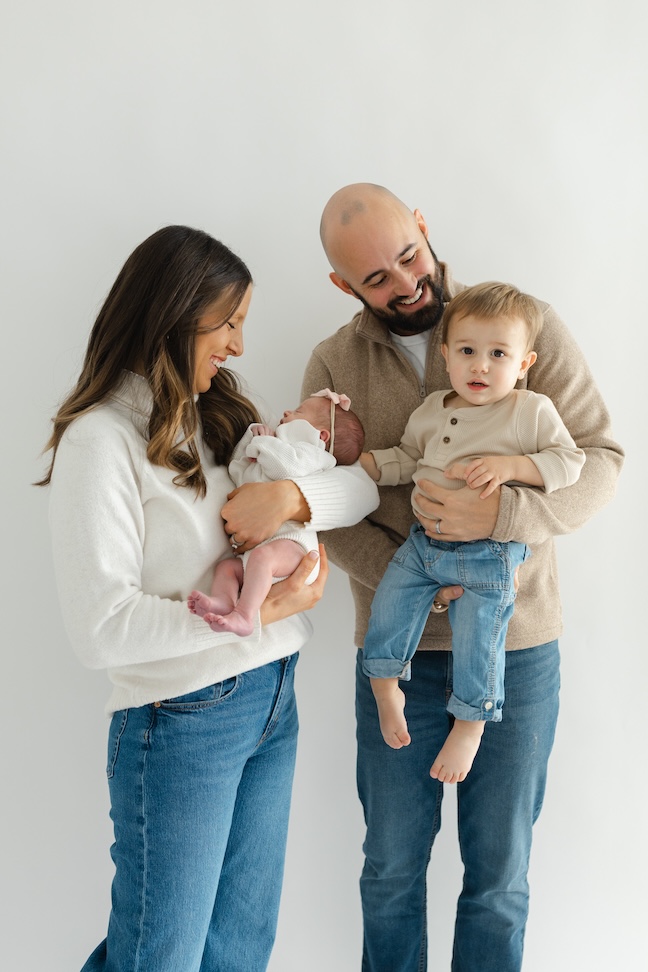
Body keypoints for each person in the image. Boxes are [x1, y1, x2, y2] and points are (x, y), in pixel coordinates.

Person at [38, 225, 378, 972]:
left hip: (270, 701)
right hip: (182, 722)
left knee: (238, 950)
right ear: (173, 314)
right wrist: (267, 615)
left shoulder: (219, 417)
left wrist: (290, 496)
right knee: (159, 956)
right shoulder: (100, 441)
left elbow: (357, 489)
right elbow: (102, 630)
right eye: (227, 324)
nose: (239, 345)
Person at [302, 183, 623, 972]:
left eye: (409, 256)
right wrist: (412, 581)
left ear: (423, 226)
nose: (407, 284)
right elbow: (322, 505)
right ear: (345, 287)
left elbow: (598, 462)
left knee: (500, 877)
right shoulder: (334, 363)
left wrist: (503, 522)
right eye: (377, 279)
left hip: (517, 643)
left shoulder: (519, 323)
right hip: (397, 646)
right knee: (389, 873)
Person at [359, 281, 585, 784]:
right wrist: (370, 466)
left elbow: (571, 463)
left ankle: (470, 723)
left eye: (498, 354)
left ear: (524, 363)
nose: (480, 365)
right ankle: (384, 685)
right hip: (424, 547)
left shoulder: (530, 410)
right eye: (467, 351)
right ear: (446, 355)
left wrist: (513, 467)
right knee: (390, 605)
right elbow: (409, 458)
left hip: (490, 556)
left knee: (482, 637)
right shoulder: (434, 409)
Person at [189, 388, 364, 636]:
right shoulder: (279, 448)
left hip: (294, 550)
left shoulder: (314, 456)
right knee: (226, 569)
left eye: (299, 411)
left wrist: (263, 443)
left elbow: (286, 467)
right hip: (265, 552)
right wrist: (251, 442)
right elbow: (239, 474)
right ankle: (224, 601)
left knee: (262, 559)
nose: (287, 412)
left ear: (321, 436)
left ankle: (245, 616)